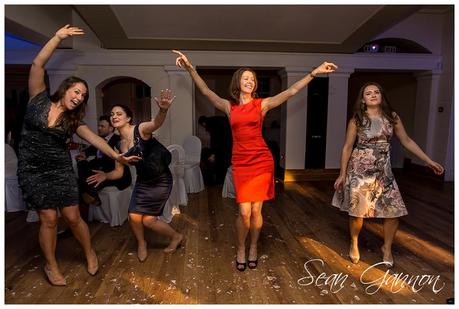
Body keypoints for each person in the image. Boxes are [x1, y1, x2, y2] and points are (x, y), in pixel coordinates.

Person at [173, 50, 337, 271]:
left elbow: (291, 91)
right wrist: (190, 68)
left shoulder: (262, 104)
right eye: (245, 78)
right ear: (238, 82)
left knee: (256, 212)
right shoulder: (228, 107)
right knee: (243, 212)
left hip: (261, 160)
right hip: (241, 162)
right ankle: (241, 248)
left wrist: (314, 73)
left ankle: (253, 247)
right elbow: (204, 90)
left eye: (252, 79)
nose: (249, 81)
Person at [17, 25, 139, 286]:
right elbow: (38, 64)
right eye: (77, 92)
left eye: (83, 96)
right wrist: (57, 37)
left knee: (72, 217)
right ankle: (51, 265)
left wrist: (118, 158)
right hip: (32, 170)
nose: (79, 97)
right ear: (65, 89)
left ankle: (89, 252)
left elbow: (97, 140)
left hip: (59, 169)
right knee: (48, 219)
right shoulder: (37, 98)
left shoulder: (73, 122)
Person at [332, 82, 444, 267]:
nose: (373, 95)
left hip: (384, 171)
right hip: (359, 170)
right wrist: (342, 174)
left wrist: (428, 160)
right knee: (357, 212)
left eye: (376, 92)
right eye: (368, 93)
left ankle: (387, 248)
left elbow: (407, 141)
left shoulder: (392, 117)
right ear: (363, 99)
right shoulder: (356, 120)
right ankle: (354, 243)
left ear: (381, 96)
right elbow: (347, 147)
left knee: (393, 211)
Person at [88, 91, 184, 263]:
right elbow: (118, 172)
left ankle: (176, 236)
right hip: (143, 181)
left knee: (148, 221)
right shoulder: (117, 144)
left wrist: (163, 110)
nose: (114, 117)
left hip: (160, 180)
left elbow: (155, 123)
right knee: (133, 215)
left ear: (128, 118)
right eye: (112, 115)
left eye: (119, 114)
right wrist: (105, 176)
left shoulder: (140, 130)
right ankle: (141, 244)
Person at [76, 115, 132, 207]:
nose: (99, 128)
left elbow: (116, 162)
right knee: (81, 164)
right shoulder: (98, 140)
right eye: (99, 126)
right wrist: (84, 155)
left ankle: (89, 195)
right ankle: (92, 195)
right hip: (100, 169)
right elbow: (88, 151)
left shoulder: (118, 141)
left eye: (102, 126)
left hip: (115, 175)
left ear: (110, 128)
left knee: (83, 181)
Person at [198, 115, 232, 184]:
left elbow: (215, 141)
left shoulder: (211, 125)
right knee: (224, 162)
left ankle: (221, 181)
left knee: (222, 162)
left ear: (203, 123)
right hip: (229, 142)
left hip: (225, 144)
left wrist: (213, 154)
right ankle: (223, 181)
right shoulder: (215, 120)